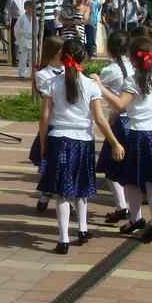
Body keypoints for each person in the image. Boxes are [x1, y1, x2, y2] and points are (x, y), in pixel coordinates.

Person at [37, 39, 123, 255]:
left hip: (59, 138)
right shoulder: (91, 85)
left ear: (61, 57)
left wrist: (43, 142)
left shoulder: (53, 83)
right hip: (83, 141)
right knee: (81, 188)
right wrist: (114, 141)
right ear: (83, 58)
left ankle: (63, 239)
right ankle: (82, 230)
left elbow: (45, 116)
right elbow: (100, 119)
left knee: (62, 193)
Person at [101, 35, 152, 243]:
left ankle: (136, 218)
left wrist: (101, 87)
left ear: (132, 59)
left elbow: (120, 105)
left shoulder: (133, 80)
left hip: (138, 133)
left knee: (132, 181)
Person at [96, 31, 133, 224]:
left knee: (110, 168)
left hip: (120, 121)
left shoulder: (110, 70)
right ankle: (131, 210)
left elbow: (101, 96)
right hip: (136, 121)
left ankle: (122, 206)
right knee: (130, 168)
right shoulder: (135, 67)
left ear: (110, 49)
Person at [29, 35, 66, 213]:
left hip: (68, 123)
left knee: (64, 165)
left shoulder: (70, 70)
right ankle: (46, 194)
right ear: (53, 53)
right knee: (48, 164)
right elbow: (48, 99)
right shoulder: (42, 74)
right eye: (62, 51)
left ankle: (58, 196)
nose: (65, 54)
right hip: (52, 124)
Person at [6, 0, 29, 67]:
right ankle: (15, 60)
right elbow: (7, 10)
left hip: (27, 20)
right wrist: (7, 21)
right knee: (15, 41)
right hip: (16, 20)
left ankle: (26, 60)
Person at [15, 1, 35, 79]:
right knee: (23, 58)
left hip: (32, 39)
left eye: (31, 8)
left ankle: (32, 73)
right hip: (23, 39)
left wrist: (34, 35)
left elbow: (38, 29)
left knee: (32, 58)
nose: (30, 9)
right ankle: (21, 73)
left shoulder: (35, 18)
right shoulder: (21, 18)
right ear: (25, 8)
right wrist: (20, 37)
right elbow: (16, 28)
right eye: (28, 7)